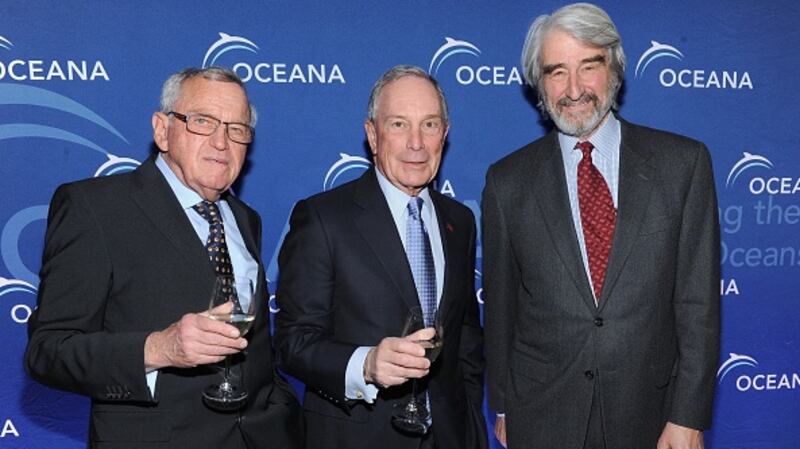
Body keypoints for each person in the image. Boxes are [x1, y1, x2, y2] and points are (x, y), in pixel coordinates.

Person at [25, 66, 302, 448]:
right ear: (162, 129)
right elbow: (48, 351)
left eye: (237, 129)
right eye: (203, 121)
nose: (222, 142)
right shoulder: (94, 207)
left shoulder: (244, 218)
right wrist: (158, 348)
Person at [482, 4, 720, 449]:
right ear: (539, 84)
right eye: (556, 72)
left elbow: (698, 305)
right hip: (541, 414)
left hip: (649, 416)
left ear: (614, 68)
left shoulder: (682, 165)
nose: (573, 89)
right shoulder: (507, 181)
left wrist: (688, 415)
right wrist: (504, 405)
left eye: (588, 66)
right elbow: (501, 309)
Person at [274, 65, 487, 449]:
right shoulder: (323, 218)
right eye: (399, 125)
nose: (416, 144)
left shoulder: (460, 220)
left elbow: (466, 336)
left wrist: (471, 420)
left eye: (429, 125)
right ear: (373, 135)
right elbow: (294, 343)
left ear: (445, 134)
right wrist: (366, 365)